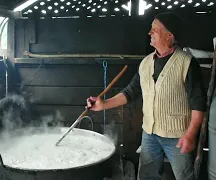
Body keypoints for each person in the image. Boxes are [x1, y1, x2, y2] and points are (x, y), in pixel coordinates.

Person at [86, 12, 206, 180]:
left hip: (178, 136)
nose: (149, 33)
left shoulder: (187, 63)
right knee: (146, 176)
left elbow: (198, 103)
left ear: (169, 35)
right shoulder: (146, 63)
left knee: (184, 176)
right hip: (150, 134)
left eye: (154, 29)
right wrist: (103, 104)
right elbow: (130, 92)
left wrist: (190, 134)